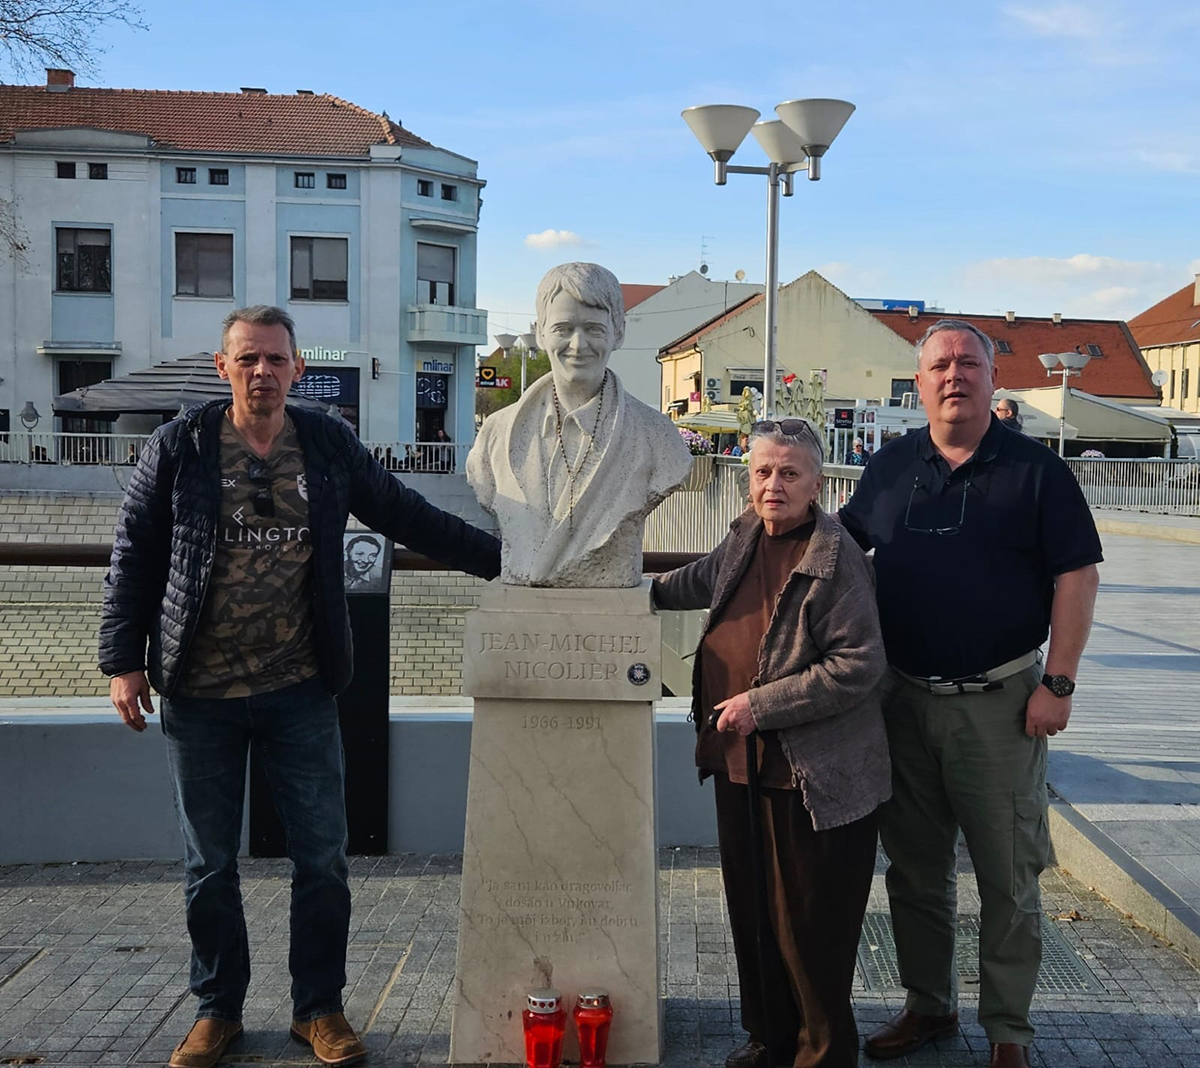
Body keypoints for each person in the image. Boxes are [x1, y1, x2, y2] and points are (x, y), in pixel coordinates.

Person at [100, 305, 501, 1068]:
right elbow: (135, 553)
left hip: (301, 689)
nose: (263, 371)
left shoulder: (324, 441)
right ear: (223, 367)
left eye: (276, 359)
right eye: (248, 358)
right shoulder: (179, 445)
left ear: (297, 368)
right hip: (200, 692)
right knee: (209, 865)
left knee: (322, 858)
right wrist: (123, 661)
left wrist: (505, 563)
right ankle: (217, 1010)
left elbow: (405, 513)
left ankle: (318, 1008)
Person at [839, 320, 1102, 1068]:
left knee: (1008, 878)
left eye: (968, 363)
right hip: (902, 701)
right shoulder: (890, 465)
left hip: (1003, 706)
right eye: (940, 365)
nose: (954, 374)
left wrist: (1059, 682)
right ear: (920, 384)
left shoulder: (1036, 471)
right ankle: (929, 1006)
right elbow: (839, 553)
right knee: (916, 873)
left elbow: (1077, 576)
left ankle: (1009, 1031)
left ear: (993, 378)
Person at [653, 418, 890, 1068]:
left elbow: (858, 665)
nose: (773, 485)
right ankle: (771, 1040)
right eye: (763, 472)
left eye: (789, 473)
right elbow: (703, 579)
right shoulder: (745, 533)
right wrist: (638, 591)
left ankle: (823, 1055)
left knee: (809, 928)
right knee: (754, 914)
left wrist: (759, 706)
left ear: (818, 484)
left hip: (812, 779)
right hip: (741, 766)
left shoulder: (836, 557)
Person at [467, 262, 693, 586]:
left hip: (614, 593)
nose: (578, 344)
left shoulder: (656, 437)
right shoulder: (495, 435)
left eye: (593, 329)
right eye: (563, 329)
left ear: (618, 332)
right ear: (541, 333)